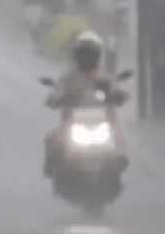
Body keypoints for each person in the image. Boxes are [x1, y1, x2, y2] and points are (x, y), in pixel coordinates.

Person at [43, 31, 128, 177]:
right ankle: (54, 168)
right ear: (77, 56)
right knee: (51, 140)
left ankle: (116, 166)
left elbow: (118, 91)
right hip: (72, 123)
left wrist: (118, 96)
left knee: (120, 143)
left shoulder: (105, 76)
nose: (86, 58)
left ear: (97, 56)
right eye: (83, 54)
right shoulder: (68, 77)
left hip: (103, 122)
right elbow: (56, 93)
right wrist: (54, 99)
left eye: (90, 54)